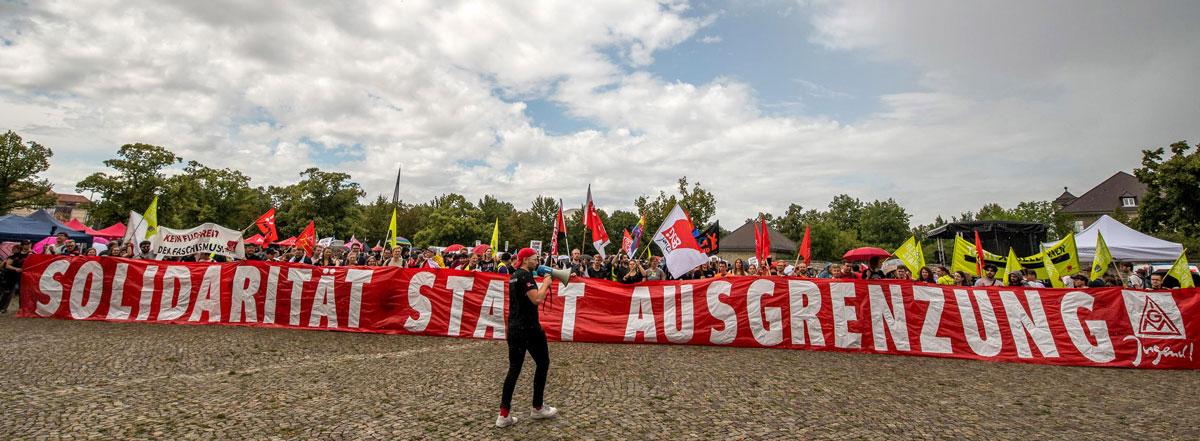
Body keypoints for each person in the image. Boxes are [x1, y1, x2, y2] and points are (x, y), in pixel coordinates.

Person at [496, 248, 558, 428]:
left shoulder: (515, 276)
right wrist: (546, 282)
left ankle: (504, 414)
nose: (537, 260)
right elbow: (537, 299)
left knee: (514, 369)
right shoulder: (525, 276)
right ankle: (537, 408)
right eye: (534, 258)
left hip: (514, 327)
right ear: (524, 260)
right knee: (543, 363)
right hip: (529, 329)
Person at [1, 241, 32, 313]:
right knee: (7, 292)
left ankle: (23, 308)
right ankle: (2, 307)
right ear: (22, 246)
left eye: (29, 244)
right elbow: (7, 265)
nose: (28, 246)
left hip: (24, 276)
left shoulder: (31, 255)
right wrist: (16, 269)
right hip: (12, 275)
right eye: (26, 244)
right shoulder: (15, 255)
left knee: (23, 292)